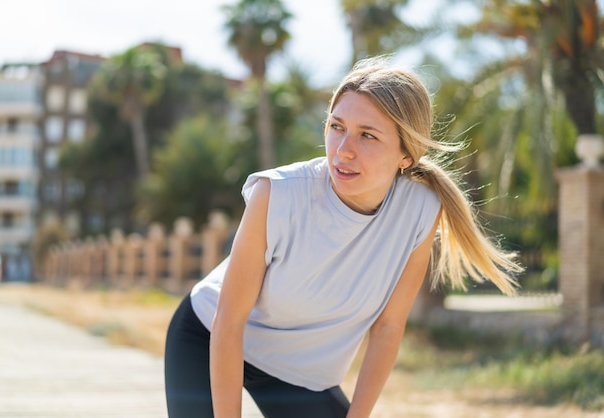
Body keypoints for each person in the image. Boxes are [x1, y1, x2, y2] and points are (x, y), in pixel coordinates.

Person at [164, 57, 522, 418]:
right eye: (337, 127)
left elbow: (387, 327)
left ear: (406, 154)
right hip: (210, 336)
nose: (343, 149)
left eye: (368, 135)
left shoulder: (419, 209)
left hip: (300, 374)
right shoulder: (278, 194)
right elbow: (229, 320)